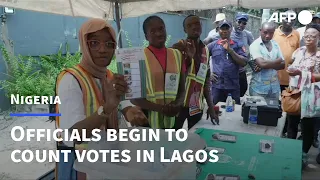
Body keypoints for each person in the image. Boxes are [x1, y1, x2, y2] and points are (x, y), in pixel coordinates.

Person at [54, 18, 148, 179]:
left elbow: (124, 105)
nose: (103, 50)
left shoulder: (109, 76)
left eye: (109, 44)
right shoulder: (71, 80)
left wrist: (131, 111)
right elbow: (73, 135)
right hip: (83, 165)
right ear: (84, 44)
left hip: (107, 161)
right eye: (94, 43)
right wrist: (107, 108)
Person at [131, 16, 189, 129]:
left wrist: (176, 105)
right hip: (147, 122)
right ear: (146, 36)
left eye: (161, 29)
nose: (158, 33)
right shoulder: (138, 58)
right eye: (153, 31)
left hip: (173, 121)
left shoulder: (177, 55)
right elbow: (134, 98)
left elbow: (182, 90)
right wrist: (161, 109)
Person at [172, 15, 218, 130]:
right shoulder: (179, 48)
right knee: (173, 139)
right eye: (189, 25)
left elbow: (206, 81)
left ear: (201, 26)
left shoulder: (206, 50)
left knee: (195, 139)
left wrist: (211, 107)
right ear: (185, 30)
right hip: (179, 105)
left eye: (197, 24)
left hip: (196, 106)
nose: (194, 27)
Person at [287, 23, 320, 168]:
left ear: (319, 38)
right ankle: (288, 152)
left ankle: (302, 156)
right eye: (306, 36)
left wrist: (303, 74)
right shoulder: (298, 51)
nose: (309, 39)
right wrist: (291, 70)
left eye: (313, 36)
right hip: (295, 93)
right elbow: (291, 63)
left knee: (308, 128)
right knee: (291, 124)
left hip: (312, 97)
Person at [272, 10, 300, 137]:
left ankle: (284, 131)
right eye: (286, 18)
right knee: (274, 105)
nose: (289, 21)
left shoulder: (297, 34)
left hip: (289, 79)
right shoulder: (274, 33)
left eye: (292, 18)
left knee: (288, 106)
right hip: (272, 77)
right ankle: (273, 129)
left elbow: (298, 54)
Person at [207, 20, 248, 105]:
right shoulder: (212, 45)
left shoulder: (238, 45)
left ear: (231, 29)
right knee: (215, 111)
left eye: (227, 28)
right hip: (217, 86)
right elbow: (202, 59)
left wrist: (230, 50)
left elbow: (244, 62)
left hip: (233, 86)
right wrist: (208, 74)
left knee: (234, 111)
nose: (224, 31)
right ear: (218, 30)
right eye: (222, 28)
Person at [249, 22, 285, 99]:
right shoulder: (255, 45)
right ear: (260, 30)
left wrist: (265, 64)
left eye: (271, 33)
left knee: (273, 110)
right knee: (258, 110)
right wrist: (276, 61)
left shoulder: (275, 45)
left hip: (274, 87)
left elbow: (283, 65)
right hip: (258, 88)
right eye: (265, 32)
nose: (268, 36)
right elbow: (262, 64)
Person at [232, 12, 255, 98]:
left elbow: (254, 48)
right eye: (239, 22)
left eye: (244, 23)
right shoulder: (228, 32)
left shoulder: (247, 34)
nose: (241, 25)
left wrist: (247, 59)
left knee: (243, 89)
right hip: (229, 70)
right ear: (235, 21)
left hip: (241, 70)